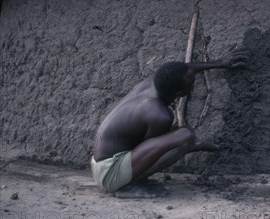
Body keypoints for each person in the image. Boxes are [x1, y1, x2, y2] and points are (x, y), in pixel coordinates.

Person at [92, 50, 248, 197]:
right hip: (109, 173)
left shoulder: (150, 84)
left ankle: (129, 180)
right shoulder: (159, 115)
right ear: (180, 94)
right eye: (191, 86)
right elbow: (154, 153)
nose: (193, 86)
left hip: (102, 164)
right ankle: (128, 185)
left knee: (183, 137)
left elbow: (185, 69)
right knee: (185, 136)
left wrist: (221, 63)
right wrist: (197, 146)